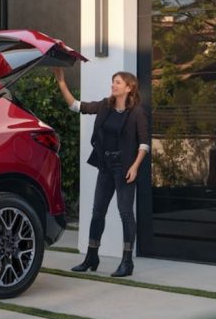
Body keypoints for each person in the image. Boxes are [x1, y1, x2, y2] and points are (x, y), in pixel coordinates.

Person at [53, 67, 149, 277]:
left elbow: (144, 144)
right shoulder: (105, 106)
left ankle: (126, 261)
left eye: (118, 82)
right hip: (106, 166)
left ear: (129, 87)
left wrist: (134, 167)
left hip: (125, 169)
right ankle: (91, 257)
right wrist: (62, 82)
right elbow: (77, 106)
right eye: (113, 81)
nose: (113, 85)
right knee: (97, 212)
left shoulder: (137, 112)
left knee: (125, 213)